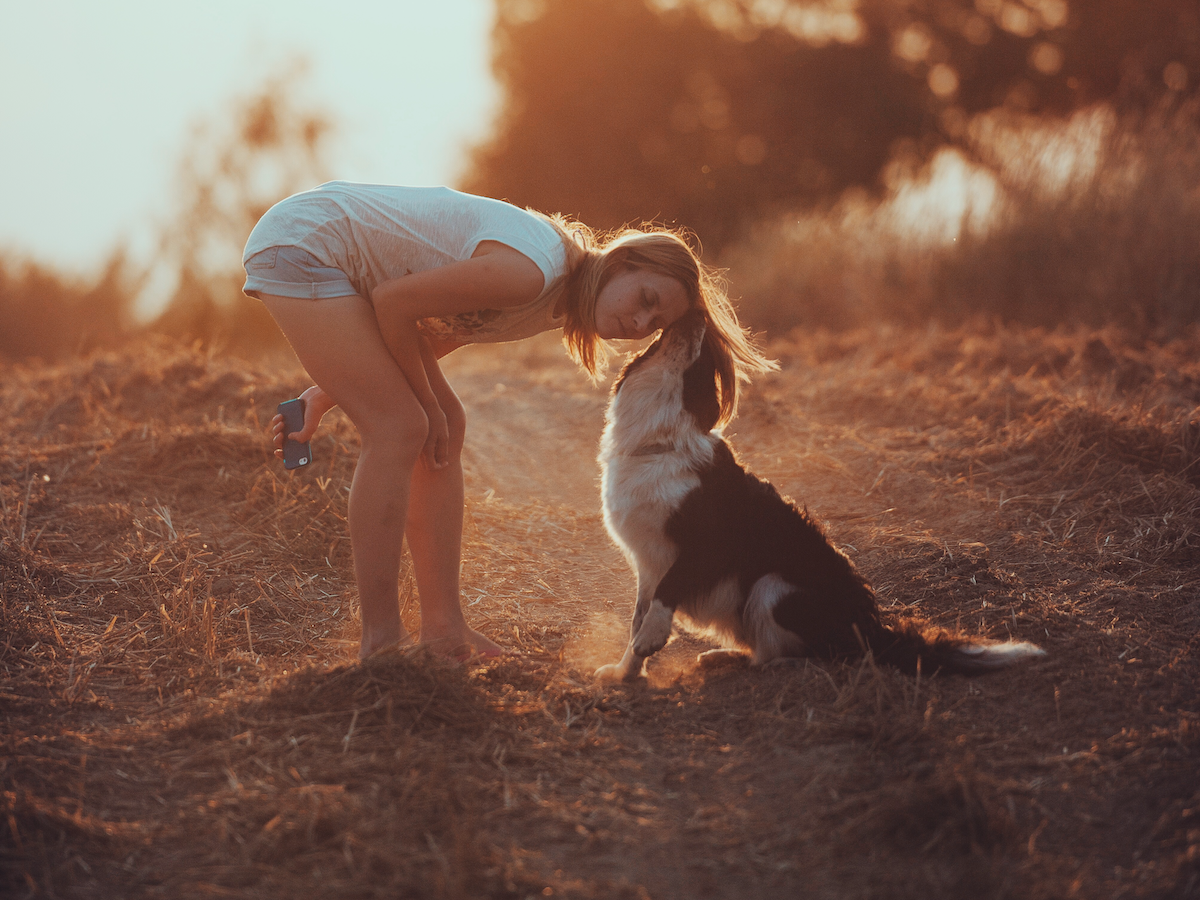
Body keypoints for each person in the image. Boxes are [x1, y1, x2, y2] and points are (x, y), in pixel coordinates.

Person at [242, 181, 774, 661]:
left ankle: (444, 629)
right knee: (402, 426)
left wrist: (326, 393)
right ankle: (381, 643)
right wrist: (422, 405)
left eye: (654, 324)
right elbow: (394, 302)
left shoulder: (550, 296)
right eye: (646, 299)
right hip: (306, 243)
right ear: (623, 262)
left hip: (335, 259)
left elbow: (429, 333)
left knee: (443, 422)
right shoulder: (533, 271)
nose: (637, 323)